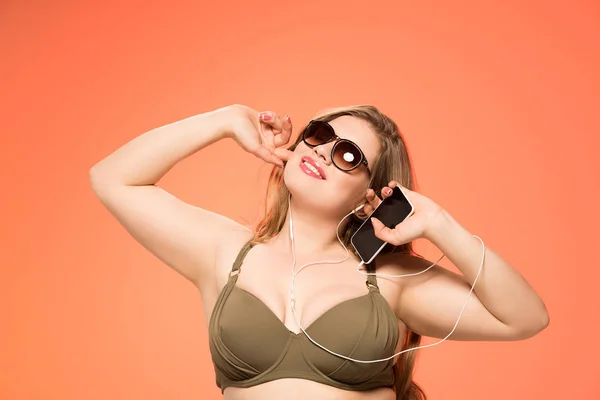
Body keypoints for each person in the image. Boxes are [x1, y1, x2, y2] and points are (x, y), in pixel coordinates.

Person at [89, 104, 549, 400]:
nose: (325, 151)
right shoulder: (225, 253)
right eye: (319, 134)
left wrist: (442, 227)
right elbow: (112, 178)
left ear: (371, 193)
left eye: (348, 155)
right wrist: (224, 121)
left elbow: (525, 318)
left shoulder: (388, 281)